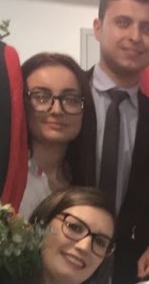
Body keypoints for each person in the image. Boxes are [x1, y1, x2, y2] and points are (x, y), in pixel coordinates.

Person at [82, 0, 149, 284]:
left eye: (146, 28)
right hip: (55, 264)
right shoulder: (65, 100)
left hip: (128, 275)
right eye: (123, 23)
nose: (135, 37)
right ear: (98, 28)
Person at [18, 53, 96, 218]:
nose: (57, 110)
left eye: (71, 99)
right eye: (41, 97)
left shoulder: (83, 177)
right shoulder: (6, 175)